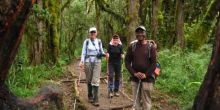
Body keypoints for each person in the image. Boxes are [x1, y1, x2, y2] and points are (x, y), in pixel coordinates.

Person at [125, 26, 157, 110]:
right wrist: (134, 73)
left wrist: (145, 75)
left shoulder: (151, 47)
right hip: (135, 78)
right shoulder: (132, 47)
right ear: (136, 34)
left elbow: (154, 64)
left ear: (145, 33)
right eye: (138, 32)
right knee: (136, 102)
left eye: (142, 32)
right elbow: (127, 62)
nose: (140, 34)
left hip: (147, 79)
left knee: (146, 102)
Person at [79, 27, 105, 106]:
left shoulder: (99, 41)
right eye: (91, 32)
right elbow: (83, 52)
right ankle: (90, 95)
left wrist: (104, 54)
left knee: (95, 80)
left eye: (94, 32)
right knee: (89, 79)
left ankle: (95, 99)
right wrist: (81, 61)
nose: (93, 34)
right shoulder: (86, 42)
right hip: (88, 62)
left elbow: (102, 51)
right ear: (89, 33)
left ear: (96, 33)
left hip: (97, 62)